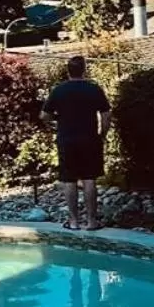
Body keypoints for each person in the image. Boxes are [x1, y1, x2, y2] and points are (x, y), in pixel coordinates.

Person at [41, 56, 111, 230]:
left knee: (69, 179)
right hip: (89, 138)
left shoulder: (59, 90)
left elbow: (44, 115)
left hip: (66, 139)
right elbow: (106, 115)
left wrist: (55, 122)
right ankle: (92, 221)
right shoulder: (93, 89)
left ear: (68, 71)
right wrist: (102, 134)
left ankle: (73, 221)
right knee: (89, 178)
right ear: (84, 70)